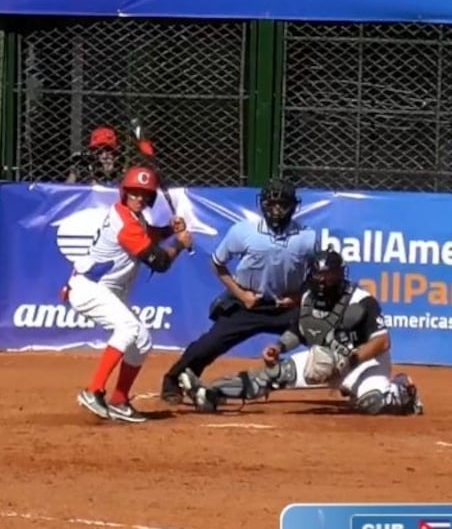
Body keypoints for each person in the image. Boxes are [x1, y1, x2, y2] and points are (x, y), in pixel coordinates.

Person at [184, 248, 424, 416]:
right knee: (275, 373)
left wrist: (350, 360)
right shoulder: (308, 297)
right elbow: (299, 329)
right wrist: (279, 347)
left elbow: (382, 342)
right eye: (319, 275)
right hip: (322, 361)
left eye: (329, 275)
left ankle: (403, 390)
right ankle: (211, 392)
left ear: (341, 274)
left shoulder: (361, 301)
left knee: (373, 404)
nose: (323, 280)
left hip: (364, 364)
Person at [160, 178, 316, 404]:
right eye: (271, 204)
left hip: (287, 306)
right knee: (210, 343)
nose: (277, 210)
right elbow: (217, 263)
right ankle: (173, 380)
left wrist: (298, 296)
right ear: (262, 205)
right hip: (248, 303)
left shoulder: (307, 237)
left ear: (293, 207)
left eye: (282, 204)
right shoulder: (243, 231)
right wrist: (242, 295)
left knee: (322, 335)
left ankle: (353, 378)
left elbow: (318, 274)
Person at [62, 165, 194, 423]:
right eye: (134, 193)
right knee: (128, 329)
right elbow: (159, 262)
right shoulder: (125, 224)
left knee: (142, 340)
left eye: (144, 194)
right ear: (124, 193)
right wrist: (179, 243)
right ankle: (94, 391)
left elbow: (149, 235)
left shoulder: (133, 219)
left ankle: (120, 400)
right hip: (89, 287)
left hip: (105, 290)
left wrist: (169, 230)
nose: (139, 198)